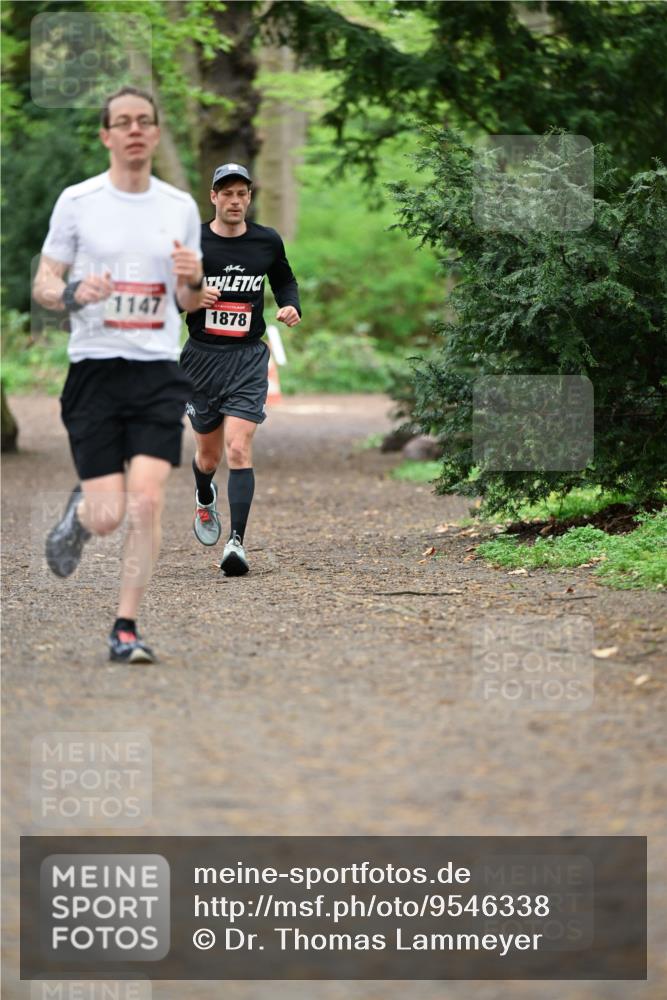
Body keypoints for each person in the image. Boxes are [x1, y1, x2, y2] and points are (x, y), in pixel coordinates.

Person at [33, 86, 207, 664]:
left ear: (156, 133)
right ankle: (81, 514)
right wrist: (74, 291)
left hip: (157, 370)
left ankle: (125, 627)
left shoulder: (179, 206)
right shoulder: (78, 202)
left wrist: (193, 279)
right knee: (108, 516)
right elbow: (44, 283)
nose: (135, 130)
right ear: (106, 135)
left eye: (145, 121)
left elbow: (189, 301)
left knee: (147, 501)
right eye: (124, 122)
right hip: (95, 369)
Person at [180, 163, 301, 576]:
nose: (235, 201)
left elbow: (284, 280)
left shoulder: (266, 240)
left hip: (248, 358)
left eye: (242, 194)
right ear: (213, 197)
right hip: (201, 359)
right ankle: (204, 494)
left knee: (237, 449)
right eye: (227, 193)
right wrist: (193, 297)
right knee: (208, 457)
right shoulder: (192, 241)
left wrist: (291, 305)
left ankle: (236, 543)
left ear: (249, 198)